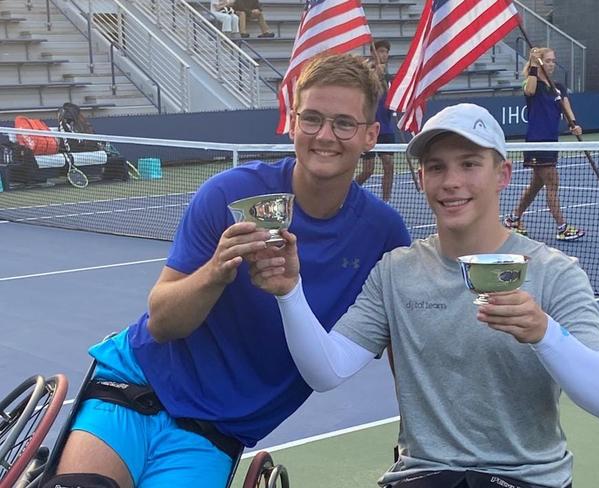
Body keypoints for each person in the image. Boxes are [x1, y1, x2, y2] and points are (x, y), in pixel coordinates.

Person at [45, 54, 410, 488]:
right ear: (292, 123)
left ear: (370, 135)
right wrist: (218, 270)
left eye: (343, 123)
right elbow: (162, 323)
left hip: (212, 434)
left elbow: (402, 350)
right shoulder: (229, 193)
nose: (324, 135)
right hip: (134, 386)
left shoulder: (384, 235)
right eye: (311, 118)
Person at [250, 103, 599, 488]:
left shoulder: (555, 273)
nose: (451, 181)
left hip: (527, 480)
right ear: (421, 179)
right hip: (423, 475)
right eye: (436, 167)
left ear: (503, 175)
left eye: (469, 164)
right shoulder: (395, 271)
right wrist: (289, 292)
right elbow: (326, 371)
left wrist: (543, 332)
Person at [504, 47, 585, 241]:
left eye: (553, 61)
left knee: (536, 184)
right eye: (548, 60)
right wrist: (532, 65)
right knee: (552, 183)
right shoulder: (532, 83)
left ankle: (513, 219)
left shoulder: (558, 87)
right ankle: (562, 227)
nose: (552, 64)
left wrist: (573, 124)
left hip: (551, 141)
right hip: (537, 142)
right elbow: (529, 90)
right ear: (540, 63)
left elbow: (566, 107)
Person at [356, 40, 396, 202]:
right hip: (370, 128)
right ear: (374, 53)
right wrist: (376, 76)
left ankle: (386, 201)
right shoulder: (367, 75)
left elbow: (392, 102)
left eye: (386, 52)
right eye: (380, 51)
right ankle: (346, 192)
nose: (384, 55)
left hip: (386, 129)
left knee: (389, 165)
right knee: (368, 170)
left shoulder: (389, 78)